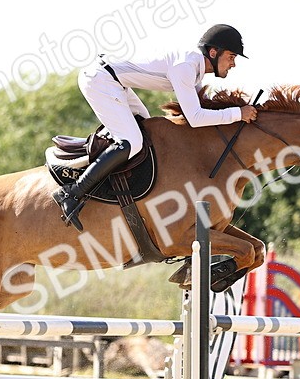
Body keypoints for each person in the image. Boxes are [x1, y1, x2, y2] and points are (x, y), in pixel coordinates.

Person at [52, 23, 258, 230]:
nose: (233, 64)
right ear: (213, 52)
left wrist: (238, 108)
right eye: (231, 57)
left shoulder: (194, 68)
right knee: (132, 141)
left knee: (145, 127)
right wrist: (238, 114)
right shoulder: (186, 66)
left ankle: (108, 168)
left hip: (113, 80)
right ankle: (71, 192)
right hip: (101, 79)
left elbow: (202, 104)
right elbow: (194, 118)